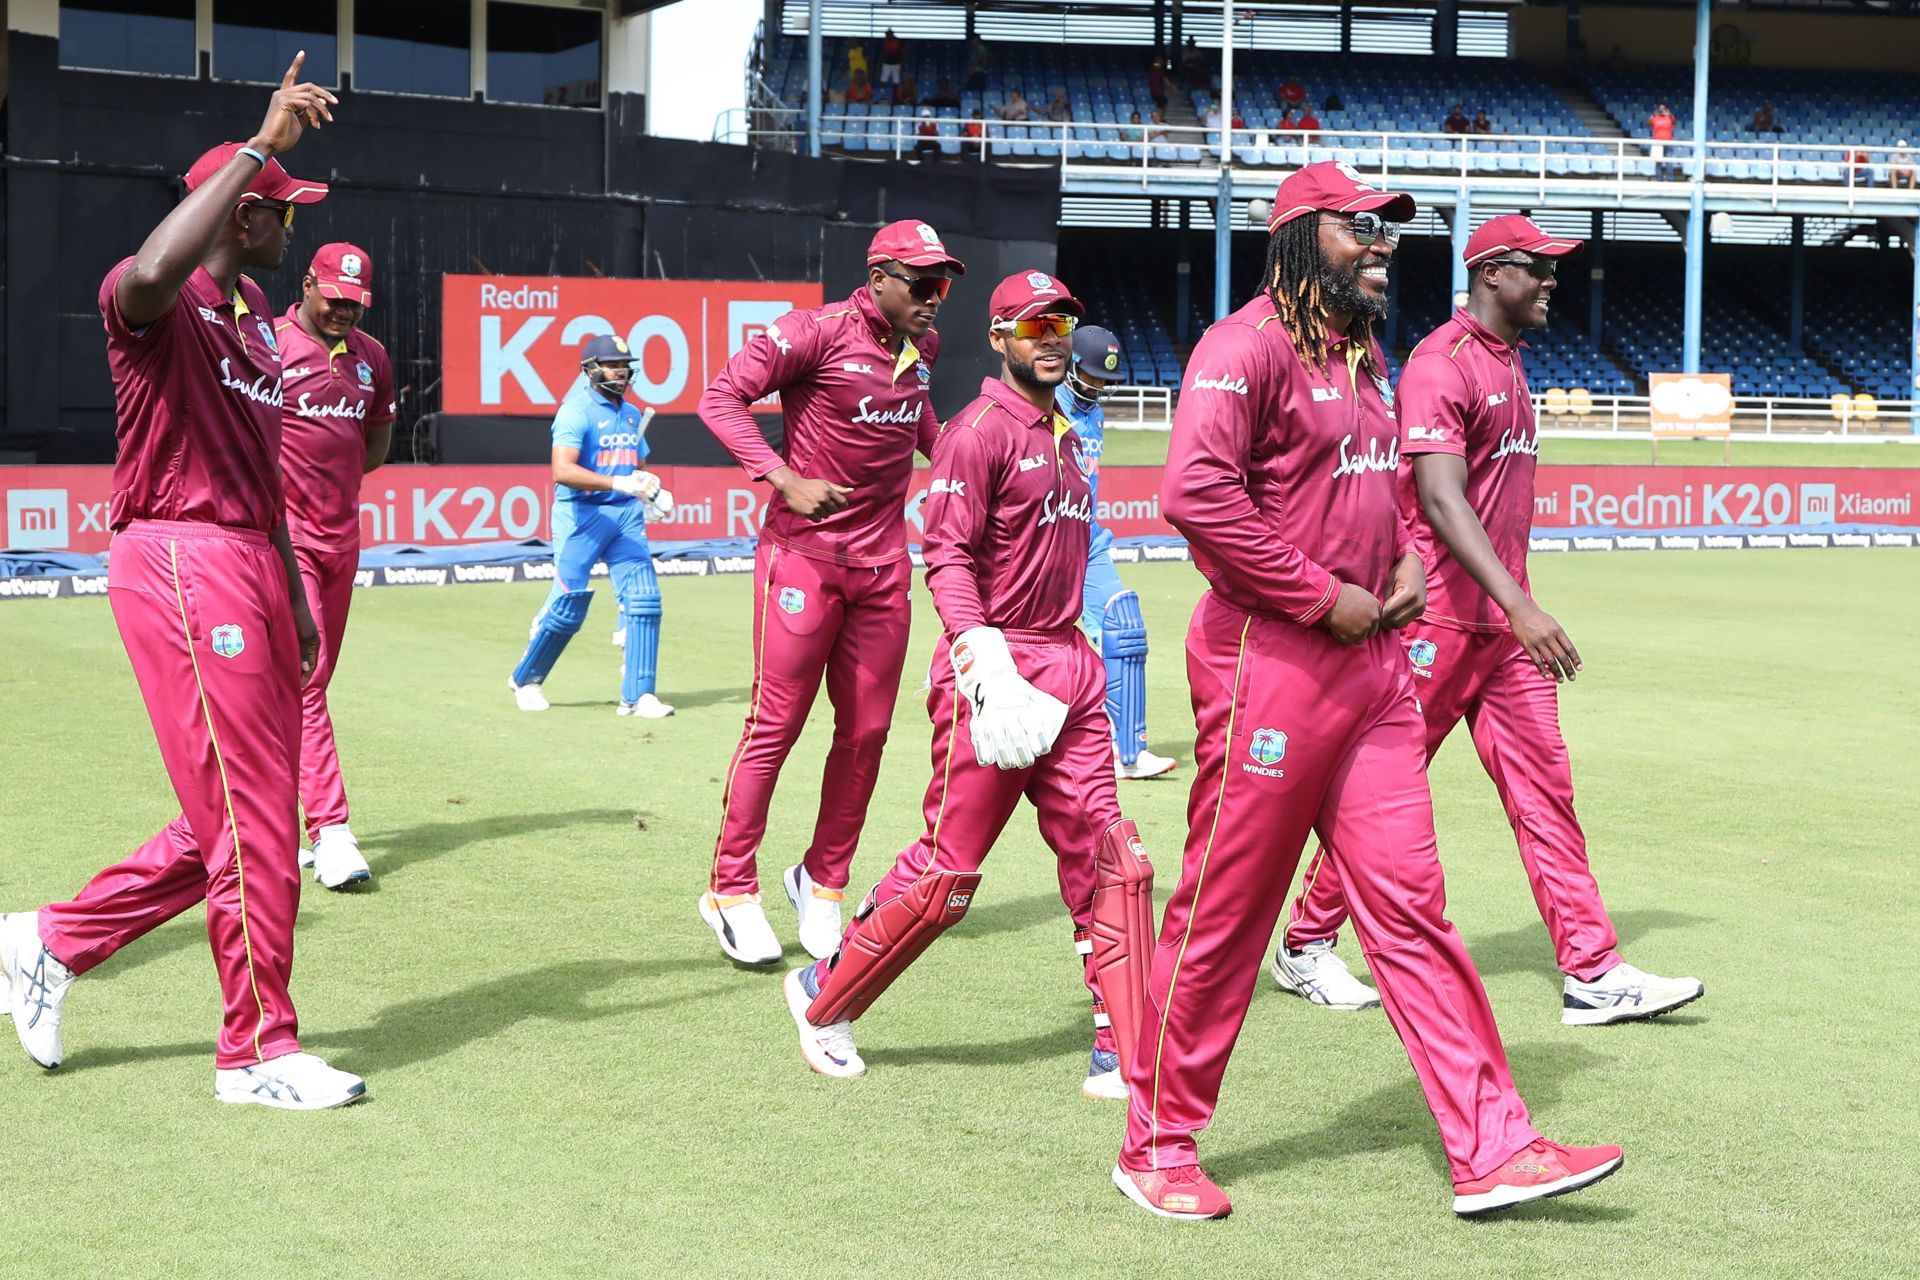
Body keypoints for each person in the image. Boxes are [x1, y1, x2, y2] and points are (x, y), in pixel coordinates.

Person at [1111, 163, 1623, 1221]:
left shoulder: (1363, 352)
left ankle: (1494, 1144)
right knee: (1227, 908)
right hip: (1271, 660)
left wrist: (1398, 567)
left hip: (1378, 665)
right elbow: (1193, 494)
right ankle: (1156, 1139)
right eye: (1362, 230)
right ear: (1303, 239)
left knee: (1412, 908)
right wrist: (1318, 593)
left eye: (1389, 231)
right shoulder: (1240, 346)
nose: (1384, 246)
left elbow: (1380, 481)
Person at [0, 57, 369, 1109]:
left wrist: (294, 594)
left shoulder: (257, 316)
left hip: (253, 557)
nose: (290, 228)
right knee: (252, 815)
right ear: (243, 215)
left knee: (248, 813)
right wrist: (260, 145)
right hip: (177, 555)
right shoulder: (159, 301)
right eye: (282, 213)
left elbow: (261, 477)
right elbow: (148, 274)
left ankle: (50, 940)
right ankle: (255, 1050)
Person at [1271, 213, 1705, 1027]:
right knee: (1382, 796)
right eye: (1538, 270)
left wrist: (1512, 613)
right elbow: (1439, 498)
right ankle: (1304, 943)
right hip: (1436, 624)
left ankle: (1594, 970)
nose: (1551, 284)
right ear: (1494, 271)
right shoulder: (1443, 363)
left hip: (1500, 637)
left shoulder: (1508, 361)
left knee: (1548, 795)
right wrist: (1521, 604)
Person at [782, 270, 1154, 1104]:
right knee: (946, 875)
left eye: (1063, 323)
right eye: (1034, 327)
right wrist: (981, 656)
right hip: (999, 667)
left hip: (1072, 667)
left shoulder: (1066, 430)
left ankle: (1121, 1042)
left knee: (1112, 860)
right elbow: (944, 554)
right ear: (999, 339)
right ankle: (822, 998)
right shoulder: (975, 431)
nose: (1053, 337)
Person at [697, 222, 964, 966]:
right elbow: (720, 401)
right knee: (775, 726)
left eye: (943, 284)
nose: (935, 298)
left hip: (883, 569)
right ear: (878, 275)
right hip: (802, 561)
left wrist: (969, 467)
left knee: (868, 733)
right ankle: (729, 889)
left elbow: (921, 427)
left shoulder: (923, 350)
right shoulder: (809, 333)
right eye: (921, 281)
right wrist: (783, 477)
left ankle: (823, 881)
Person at [274, 241, 395, 891]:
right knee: (308, 677)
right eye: (336, 298)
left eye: (357, 302)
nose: (346, 310)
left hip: (342, 537)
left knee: (299, 686)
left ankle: (278, 828)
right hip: (282, 539)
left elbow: (374, 440)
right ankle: (332, 830)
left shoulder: (372, 358)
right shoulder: (268, 343)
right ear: (307, 285)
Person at [508, 335, 673, 718]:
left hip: (625, 517)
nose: (620, 371)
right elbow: (562, 471)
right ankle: (526, 680)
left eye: (624, 364)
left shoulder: (632, 414)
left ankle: (638, 696)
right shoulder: (575, 411)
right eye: (612, 364)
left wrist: (653, 492)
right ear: (590, 369)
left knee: (644, 600)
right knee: (566, 605)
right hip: (582, 516)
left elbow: (638, 468)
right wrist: (620, 483)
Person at [1057, 325, 1178, 781]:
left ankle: (1127, 752)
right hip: (1042, 541)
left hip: (1087, 540)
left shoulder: (1094, 416)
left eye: (1104, 383)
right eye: (1089, 379)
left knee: (1123, 629)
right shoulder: (1046, 404)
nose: (1097, 389)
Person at [1648, 103, 1677, 178]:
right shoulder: (1655, 118)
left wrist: (1670, 115)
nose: (1662, 110)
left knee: (1669, 161)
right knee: (1658, 161)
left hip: (1668, 142)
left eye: (1663, 108)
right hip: (1658, 142)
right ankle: (1658, 178)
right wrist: (1653, 115)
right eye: (1660, 109)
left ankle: (1670, 178)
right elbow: (1648, 123)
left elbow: (1674, 123)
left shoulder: (1669, 117)